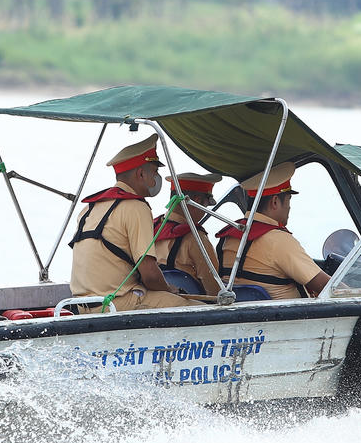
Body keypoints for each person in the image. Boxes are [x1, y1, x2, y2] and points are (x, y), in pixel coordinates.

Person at [68, 133, 192, 311]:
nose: (157, 179)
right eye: (155, 172)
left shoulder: (89, 209)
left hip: (81, 307)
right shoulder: (136, 207)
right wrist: (170, 290)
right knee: (196, 308)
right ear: (141, 174)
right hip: (115, 304)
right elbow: (149, 275)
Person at [216, 162, 330, 300]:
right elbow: (328, 286)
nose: (289, 208)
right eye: (288, 200)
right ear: (275, 202)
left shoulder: (228, 238)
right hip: (292, 318)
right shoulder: (279, 240)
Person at [153, 172, 224, 296]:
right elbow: (214, 289)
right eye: (206, 205)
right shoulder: (196, 238)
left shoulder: (151, 227)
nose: (205, 211)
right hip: (187, 306)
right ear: (195, 201)